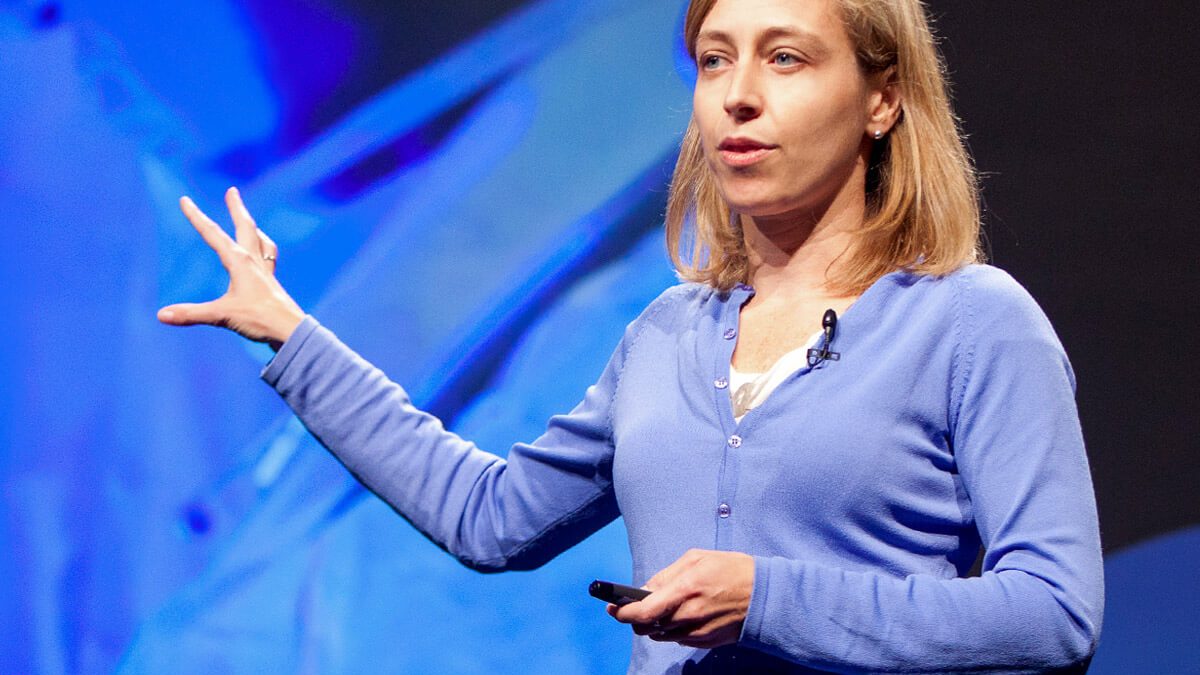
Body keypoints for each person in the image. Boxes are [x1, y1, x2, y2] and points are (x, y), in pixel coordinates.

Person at [158, 0, 1104, 672]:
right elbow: (491, 517)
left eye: (785, 59)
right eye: (715, 59)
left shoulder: (971, 321)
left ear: (882, 98)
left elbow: (1055, 613)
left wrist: (769, 600)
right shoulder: (666, 332)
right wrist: (291, 335)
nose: (737, 95)